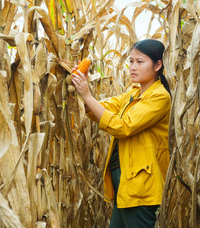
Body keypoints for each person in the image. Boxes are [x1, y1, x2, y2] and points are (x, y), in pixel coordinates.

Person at [72, 39, 171, 228]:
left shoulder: (159, 97)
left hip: (140, 184)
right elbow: (101, 109)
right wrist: (82, 86)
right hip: (124, 180)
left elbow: (122, 126)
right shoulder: (133, 92)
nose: (133, 67)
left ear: (158, 65)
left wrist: (87, 95)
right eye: (131, 61)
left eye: (140, 62)